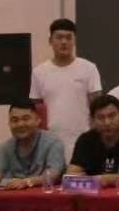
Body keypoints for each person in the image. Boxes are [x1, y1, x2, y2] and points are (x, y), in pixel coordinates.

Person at [30, 18, 103, 154]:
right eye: (59, 37)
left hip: (84, 140)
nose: (64, 42)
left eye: (69, 38)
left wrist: (95, 138)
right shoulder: (39, 72)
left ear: (74, 41)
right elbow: (36, 111)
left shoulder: (89, 68)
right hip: (50, 143)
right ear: (50, 41)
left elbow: (98, 107)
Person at [67, 94, 119, 187]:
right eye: (101, 118)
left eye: (112, 116)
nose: (107, 122)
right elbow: (71, 175)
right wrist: (112, 178)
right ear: (92, 120)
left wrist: (100, 179)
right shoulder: (85, 140)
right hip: (92, 193)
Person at [0, 101, 67, 189]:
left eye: (26, 119)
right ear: (9, 123)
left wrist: (28, 182)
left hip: (46, 194)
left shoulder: (53, 143)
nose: (20, 124)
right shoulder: (6, 147)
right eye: (15, 120)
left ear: (38, 120)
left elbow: (54, 174)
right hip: (16, 196)